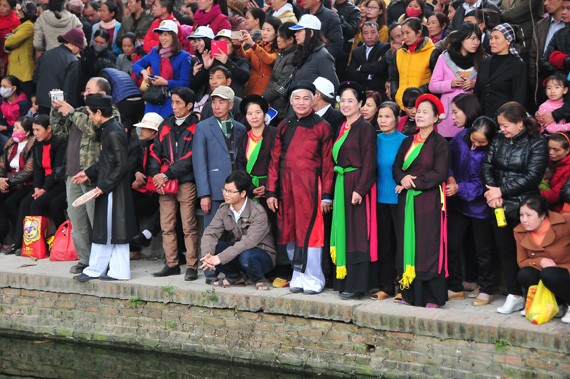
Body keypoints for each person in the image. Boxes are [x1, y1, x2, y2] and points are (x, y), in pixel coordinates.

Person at [266, 81, 334, 295]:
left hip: (310, 188)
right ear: (291, 101)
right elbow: (275, 160)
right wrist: (271, 191)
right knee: (290, 231)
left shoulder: (322, 126)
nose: (301, 102)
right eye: (297, 98)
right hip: (286, 188)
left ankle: (314, 277)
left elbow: (327, 163)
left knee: (311, 232)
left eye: (306, 98)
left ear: (314, 99)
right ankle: (298, 275)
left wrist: (326, 196)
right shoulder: (284, 126)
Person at [482, 101, 548, 314]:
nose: (502, 130)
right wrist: (493, 192)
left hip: (525, 205)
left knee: (530, 253)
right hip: (498, 205)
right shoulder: (499, 139)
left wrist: (501, 191)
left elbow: (532, 176)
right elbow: (487, 165)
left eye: (506, 125)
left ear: (520, 123)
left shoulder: (537, 142)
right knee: (505, 251)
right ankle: (514, 294)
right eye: (500, 126)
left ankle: (536, 296)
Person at [50, 76, 121, 274]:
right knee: (77, 221)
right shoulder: (80, 111)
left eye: (89, 90)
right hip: (72, 174)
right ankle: (85, 259)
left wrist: (71, 112)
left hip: (93, 176)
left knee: (95, 221)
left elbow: (94, 130)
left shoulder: (110, 112)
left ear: (101, 94)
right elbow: (60, 132)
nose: (84, 93)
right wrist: (56, 110)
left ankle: (103, 262)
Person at [393, 93, 449, 308]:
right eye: (418, 111)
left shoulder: (440, 143)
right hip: (407, 201)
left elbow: (440, 173)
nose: (419, 115)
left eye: (426, 112)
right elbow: (396, 167)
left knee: (427, 246)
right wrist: (402, 178)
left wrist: (412, 182)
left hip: (429, 200)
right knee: (408, 243)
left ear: (436, 118)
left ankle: (432, 296)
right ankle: (409, 294)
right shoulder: (408, 140)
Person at [72, 94, 135, 282]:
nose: (89, 117)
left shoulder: (113, 131)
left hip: (113, 189)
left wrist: (104, 186)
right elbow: (107, 161)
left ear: (99, 112)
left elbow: (122, 164)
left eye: (90, 113)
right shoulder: (109, 129)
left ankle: (109, 270)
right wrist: (89, 172)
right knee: (108, 229)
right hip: (109, 187)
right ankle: (107, 270)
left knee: (110, 229)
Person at [329, 81, 377, 300]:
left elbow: (369, 162)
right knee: (343, 230)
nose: (346, 105)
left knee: (356, 233)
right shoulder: (343, 126)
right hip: (342, 182)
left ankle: (358, 285)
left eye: (351, 100)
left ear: (360, 104)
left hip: (356, 184)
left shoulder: (365, 127)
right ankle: (343, 279)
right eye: (343, 101)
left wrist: (360, 189)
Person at [148, 87, 201, 280]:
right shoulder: (166, 124)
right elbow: (154, 151)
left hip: (185, 182)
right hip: (164, 182)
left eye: (179, 102)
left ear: (189, 105)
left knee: (188, 226)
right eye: (173, 102)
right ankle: (171, 264)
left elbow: (191, 157)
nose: (174, 106)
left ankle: (192, 265)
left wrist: (167, 174)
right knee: (166, 225)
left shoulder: (196, 125)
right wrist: (156, 175)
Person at [447, 115, 497, 306]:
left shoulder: (492, 151)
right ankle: (455, 286)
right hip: (457, 203)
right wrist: (451, 178)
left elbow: (485, 182)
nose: (475, 144)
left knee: (482, 249)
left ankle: (486, 289)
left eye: (481, 142)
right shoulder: (460, 138)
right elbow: (449, 162)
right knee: (452, 245)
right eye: (473, 139)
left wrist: (460, 188)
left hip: (479, 205)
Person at [199, 171, 277, 290]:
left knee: (247, 255)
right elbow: (210, 233)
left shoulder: (258, 212)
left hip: (262, 255)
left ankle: (259, 279)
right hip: (239, 252)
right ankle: (234, 277)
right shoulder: (224, 209)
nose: (226, 194)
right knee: (213, 246)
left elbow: (248, 242)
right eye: (225, 190)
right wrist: (207, 256)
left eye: (231, 191)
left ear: (243, 193)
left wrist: (219, 258)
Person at [11, 115, 67, 256]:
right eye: (34, 130)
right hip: (43, 184)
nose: (35, 133)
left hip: (58, 183)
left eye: (38, 130)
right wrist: (37, 187)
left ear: (49, 129)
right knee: (25, 203)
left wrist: (43, 189)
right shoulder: (38, 143)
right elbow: (37, 168)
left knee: (38, 204)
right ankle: (21, 243)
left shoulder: (60, 143)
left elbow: (57, 171)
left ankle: (44, 242)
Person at [515, 195, 570, 323]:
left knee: (550, 274)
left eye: (529, 215)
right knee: (525, 274)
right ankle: (556, 305)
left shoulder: (565, 222)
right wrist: (540, 261)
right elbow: (521, 261)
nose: (524, 220)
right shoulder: (520, 231)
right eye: (521, 215)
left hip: (566, 272)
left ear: (542, 216)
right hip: (547, 273)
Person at [371, 101, 406, 301]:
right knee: (383, 244)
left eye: (387, 116)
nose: (383, 120)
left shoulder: (406, 141)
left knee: (402, 244)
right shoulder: (373, 140)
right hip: (379, 199)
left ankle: (403, 284)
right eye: (380, 116)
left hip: (399, 198)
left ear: (397, 119)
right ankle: (385, 286)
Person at [429, 23, 482, 139]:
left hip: (471, 116)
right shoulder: (444, 57)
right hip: (448, 116)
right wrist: (451, 83)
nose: (476, 42)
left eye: (478, 38)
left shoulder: (483, 59)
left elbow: (487, 86)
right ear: (462, 39)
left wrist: (474, 84)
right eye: (472, 38)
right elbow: (432, 85)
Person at [132, 19, 191, 118]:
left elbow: (185, 83)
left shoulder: (183, 56)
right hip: (153, 99)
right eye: (160, 35)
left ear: (174, 36)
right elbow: (136, 65)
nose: (162, 38)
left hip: (171, 102)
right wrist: (144, 72)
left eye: (166, 35)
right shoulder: (155, 51)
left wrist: (166, 83)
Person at [474, 23, 527, 119]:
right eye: (491, 38)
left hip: (505, 121)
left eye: (496, 38)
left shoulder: (518, 65)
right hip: (482, 118)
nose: (492, 42)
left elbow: (518, 98)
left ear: (508, 41)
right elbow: (477, 91)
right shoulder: (485, 62)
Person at [129, 112, 162, 259]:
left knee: (167, 204)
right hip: (146, 189)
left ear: (154, 132)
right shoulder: (140, 144)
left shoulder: (162, 147)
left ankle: (146, 236)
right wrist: (136, 173)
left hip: (159, 190)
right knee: (127, 201)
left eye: (144, 128)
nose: (140, 131)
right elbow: (132, 165)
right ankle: (134, 246)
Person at [0, 116, 34, 254]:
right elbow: (2, 163)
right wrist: (1, 178)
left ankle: (19, 238)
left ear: (26, 132)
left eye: (17, 128)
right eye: (13, 127)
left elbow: (28, 171)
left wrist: (7, 181)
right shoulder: (11, 142)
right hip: (9, 181)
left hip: (25, 183)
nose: (13, 130)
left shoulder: (32, 144)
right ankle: (3, 235)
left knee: (11, 203)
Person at [34, 28, 84, 114]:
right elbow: (70, 88)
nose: (79, 50)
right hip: (59, 105)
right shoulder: (73, 60)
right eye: (79, 47)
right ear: (73, 44)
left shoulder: (46, 54)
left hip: (41, 101)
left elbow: (35, 77)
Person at [390, 17, 435, 110]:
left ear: (419, 33)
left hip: (422, 105)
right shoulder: (398, 53)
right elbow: (394, 78)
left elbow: (435, 81)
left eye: (408, 33)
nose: (404, 37)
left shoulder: (432, 52)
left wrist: (418, 93)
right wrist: (395, 93)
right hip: (401, 105)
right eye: (402, 33)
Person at [290, 15, 340, 96]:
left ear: (311, 33)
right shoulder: (301, 52)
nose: (295, 34)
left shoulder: (323, 57)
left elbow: (334, 87)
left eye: (299, 31)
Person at [263, 22, 297, 121]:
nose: (277, 39)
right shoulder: (281, 53)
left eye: (281, 36)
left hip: (281, 107)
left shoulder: (292, 57)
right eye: (277, 36)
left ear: (291, 40)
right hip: (272, 103)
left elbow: (281, 84)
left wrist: (265, 98)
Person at [239, 16, 280, 95]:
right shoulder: (259, 44)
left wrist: (252, 44)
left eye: (268, 30)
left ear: (276, 33)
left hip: (265, 89)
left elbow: (269, 59)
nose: (264, 33)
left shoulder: (278, 48)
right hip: (251, 85)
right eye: (263, 29)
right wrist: (238, 46)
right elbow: (244, 56)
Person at [345, 21, 390, 93]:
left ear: (378, 33)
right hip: (361, 91)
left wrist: (361, 68)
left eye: (373, 32)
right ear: (361, 35)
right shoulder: (357, 51)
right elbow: (351, 73)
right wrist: (368, 76)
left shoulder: (385, 48)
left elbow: (380, 68)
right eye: (365, 33)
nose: (369, 36)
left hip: (379, 91)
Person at [4, 0, 37, 97]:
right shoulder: (23, 25)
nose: (18, 13)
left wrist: (9, 38)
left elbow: (9, 42)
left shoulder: (28, 26)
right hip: (18, 70)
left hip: (23, 72)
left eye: (21, 11)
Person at [300, 0, 344, 65]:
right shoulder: (303, 14)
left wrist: (319, 59)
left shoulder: (331, 16)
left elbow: (336, 45)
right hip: (303, 60)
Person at [541, 133, 570, 212]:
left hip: (560, 211)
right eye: (549, 148)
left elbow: (555, 196)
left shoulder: (568, 169)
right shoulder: (549, 160)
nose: (551, 152)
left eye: (556, 150)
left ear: (567, 150)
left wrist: (531, 193)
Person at [0, 0, 20, 78]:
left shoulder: (16, 22)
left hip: (8, 58)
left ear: (12, 8)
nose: (1, 8)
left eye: (5, 6)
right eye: (0, 5)